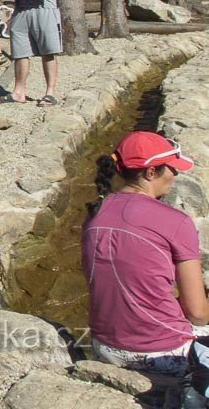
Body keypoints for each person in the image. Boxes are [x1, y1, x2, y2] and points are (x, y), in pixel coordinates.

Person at [83, 131, 209, 373]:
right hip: (162, 351)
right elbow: (198, 315)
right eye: (172, 168)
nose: (175, 174)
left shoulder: (94, 213)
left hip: (104, 347)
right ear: (151, 173)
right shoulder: (176, 221)